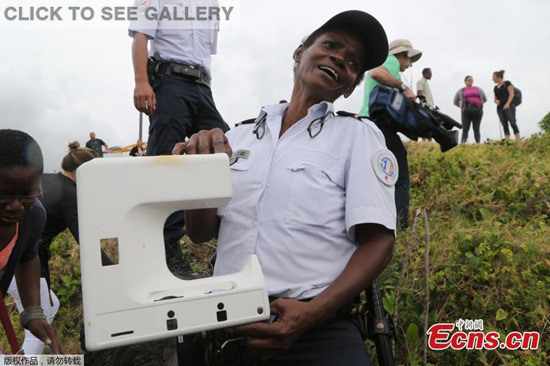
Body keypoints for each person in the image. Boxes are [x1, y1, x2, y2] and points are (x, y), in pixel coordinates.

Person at [175, 11, 396, 365]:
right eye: (330, 45)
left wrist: (313, 314)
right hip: (227, 332)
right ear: (299, 52)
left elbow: (379, 241)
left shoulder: (358, 135)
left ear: (351, 85)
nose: (339, 57)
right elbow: (201, 232)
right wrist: (198, 171)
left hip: (317, 335)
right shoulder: (238, 136)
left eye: (352, 62)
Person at [128, 0, 229, 279]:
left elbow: (204, 55)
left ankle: (229, 244)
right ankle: (167, 250)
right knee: (165, 163)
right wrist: (141, 81)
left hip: (202, 88)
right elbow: (140, 37)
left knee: (225, 156)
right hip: (170, 82)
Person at [0, 129, 64, 354]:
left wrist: (33, 312)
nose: (16, 206)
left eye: (28, 194)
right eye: (3, 195)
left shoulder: (33, 215)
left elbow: (27, 256)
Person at [359, 39, 422, 230]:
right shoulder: (391, 60)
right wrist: (404, 87)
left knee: (373, 176)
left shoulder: (392, 68)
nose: (410, 65)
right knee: (400, 175)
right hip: (377, 125)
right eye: (410, 60)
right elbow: (376, 72)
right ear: (402, 54)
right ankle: (400, 226)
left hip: (366, 124)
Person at [453, 76, 487, 144]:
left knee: (476, 128)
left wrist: (477, 104)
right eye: (469, 80)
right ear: (465, 81)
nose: (471, 81)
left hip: (477, 111)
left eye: (472, 80)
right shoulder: (461, 90)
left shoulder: (478, 89)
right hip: (466, 112)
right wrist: (462, 106)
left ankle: (478, 143)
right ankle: (463, 144)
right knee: (465, 128)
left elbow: (484, 99)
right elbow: (455, 101)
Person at [493, 70, 520, 140]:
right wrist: (496, 101)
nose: (492, 79)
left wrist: (508, 103)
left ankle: (518, 140)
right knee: (504, 124)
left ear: (498, 77)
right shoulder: (495, 88)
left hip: (509, 106)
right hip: (500, 108)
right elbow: (494, 99)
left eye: (493, 77)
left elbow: (512, 94)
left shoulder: (507, 83)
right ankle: (507, 140)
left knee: (512, 122)